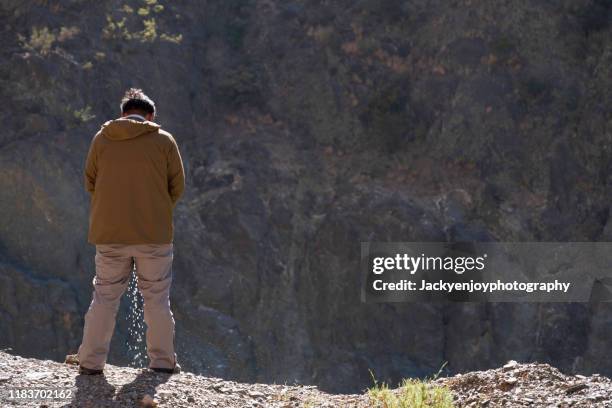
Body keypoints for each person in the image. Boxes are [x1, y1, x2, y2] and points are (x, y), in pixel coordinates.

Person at [66, 88, 185, 375]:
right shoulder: (163, 141)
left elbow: (90, 182)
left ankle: (91, 362)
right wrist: (154, 209)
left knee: (105, 297)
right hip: (153, 235)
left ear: (123, 114)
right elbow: (177, 186)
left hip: (110, 234)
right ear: (151, 115)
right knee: (156, 299)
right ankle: (162, 362)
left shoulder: (102, 139)